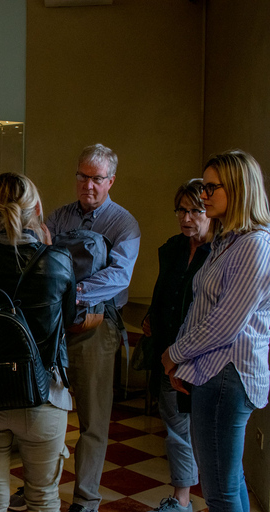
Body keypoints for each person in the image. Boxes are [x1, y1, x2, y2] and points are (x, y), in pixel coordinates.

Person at [0, 173, 75, 512]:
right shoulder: (58, 260)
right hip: (43, 396)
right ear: (36, 209)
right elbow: (66, 323)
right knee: (42, 498)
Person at [163, 150, 270, 512]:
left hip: (228, 376)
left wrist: (174, 354)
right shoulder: (229, 240)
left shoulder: (254, 245)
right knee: (230, 481)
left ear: (237, 187)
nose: (203, 194)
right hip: (213, 371)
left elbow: (224, 324)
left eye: (211, 187)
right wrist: (185, 363)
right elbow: (201, 308)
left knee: (220, 493)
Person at [45, 143, 140, 512]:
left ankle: (86, 499)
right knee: (44, 409)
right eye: (82, 177)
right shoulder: (57, 217)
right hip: (55, 325)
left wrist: (74, 292)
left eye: (96, 179)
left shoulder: (123, 223)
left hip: (97, 326)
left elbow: (119, 275)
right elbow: (41, 258)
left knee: (93, 420)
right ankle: (41, 486)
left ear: (110, 180)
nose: (88, 185)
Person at [142, 179, 211, 512]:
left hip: (207, 359)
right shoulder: (172, 248)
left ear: (210, 212)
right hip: (170, 354)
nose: (187, 217)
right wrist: (152, 321)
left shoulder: (221, 252)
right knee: (177, 431)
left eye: (195, 210)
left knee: (209, 435)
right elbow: (163, 295)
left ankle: (216, 497)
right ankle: (181, 499)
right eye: (182, 210)